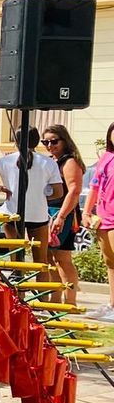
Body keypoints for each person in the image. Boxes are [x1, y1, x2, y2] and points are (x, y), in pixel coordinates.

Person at [0, 127, 63, 256]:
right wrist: (40, 197)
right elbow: (58, 192)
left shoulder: (5, 160)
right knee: (40, 262)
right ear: (37, 141)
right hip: (37, 215)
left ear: (16, 141)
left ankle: (17, 275)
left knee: (15, 259)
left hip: (11, 213)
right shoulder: (48, 163)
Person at [43, 126, 86, 307]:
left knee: (60, 258)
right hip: (49, 212)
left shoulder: (69, 162)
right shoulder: (53, 161)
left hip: (63, 214)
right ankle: (57, 300)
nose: (50, 145)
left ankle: (69, 302)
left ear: (64, 141)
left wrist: (60, 217)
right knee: (50, 257)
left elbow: (74, 190)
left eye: (54, 141)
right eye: (45, 142)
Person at [84, 123, 114, 320]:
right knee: (110, 262)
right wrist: (87, 212)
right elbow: (94, 187)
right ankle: (112, 305)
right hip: (102, 218)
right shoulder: (106, 158)